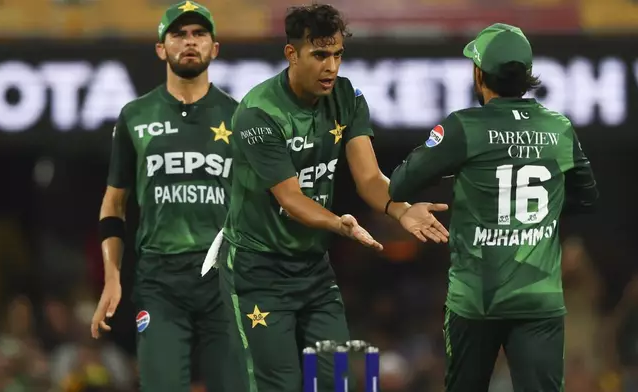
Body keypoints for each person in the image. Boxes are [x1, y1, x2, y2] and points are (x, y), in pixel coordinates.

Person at [207, 4, 449, 392]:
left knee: (336, 380)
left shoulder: (347, 97)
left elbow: (369, 178)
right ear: (292, 54)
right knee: (278, 385)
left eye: (337, 54)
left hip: (313, 271)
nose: (331, 66)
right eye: (320, 55)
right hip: (258, 272)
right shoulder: (259, 112)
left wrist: (401, 211)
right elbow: (290, 198)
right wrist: (339, 223)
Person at [388, 23, 599, 392]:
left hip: (475, 299)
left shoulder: (464, 128)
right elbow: (587, 196)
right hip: (539, 299)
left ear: (479, 74)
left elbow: (401, 183)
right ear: (527, 76)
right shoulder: (559, 128)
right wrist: (535, 216)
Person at [90, 1, 238, 391]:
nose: (189, 41)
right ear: (161, 48)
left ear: (214, 47)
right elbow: (114, 204)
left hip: (224, 278)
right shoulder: (134, 116)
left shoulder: (242, 117)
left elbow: (263, 203)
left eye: (199, 34)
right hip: (159, 281)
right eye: (178, 34)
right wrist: (112, 278)